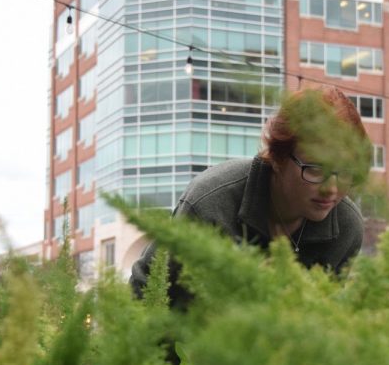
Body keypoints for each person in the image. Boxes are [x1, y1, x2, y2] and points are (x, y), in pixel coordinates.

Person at [129, 87, 372, 307]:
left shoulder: (347, 228)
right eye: (315, 169)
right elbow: (143, 291)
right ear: (277, 158)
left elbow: (323, 324)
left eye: (345, 172)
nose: (331, 189)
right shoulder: (210, 203)